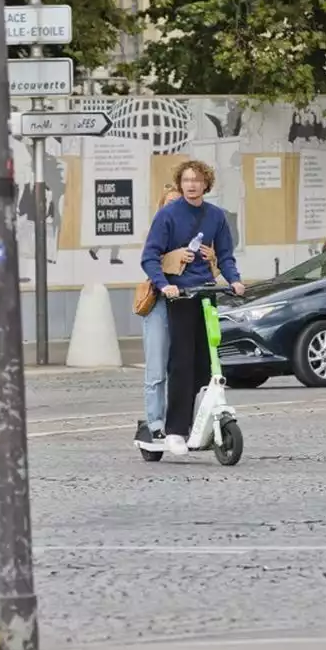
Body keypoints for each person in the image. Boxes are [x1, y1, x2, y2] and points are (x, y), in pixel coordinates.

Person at [141, 161, 244, 455]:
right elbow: (149, 256)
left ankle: (202, 421)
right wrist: (164, 284)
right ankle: (174, 430)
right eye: (186, 180)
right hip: (180, 296)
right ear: (181, 183)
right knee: (181, 362)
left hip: (206, 294)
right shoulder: (167, 215)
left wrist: (234, 280)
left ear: (205, 184)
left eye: (196, 180)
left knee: (207, 363)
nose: (191, 185)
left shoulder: (216, 216)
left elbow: (225, 255)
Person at [142, 185, 215, 439]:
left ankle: (188, 422)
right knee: (157, 367)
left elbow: (212, 274)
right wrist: (172, 257)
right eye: (171, 203)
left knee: (187, 364)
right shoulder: (159, 230)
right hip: (160, 301)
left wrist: (211, 258)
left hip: (187, 301)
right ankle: (155, 423)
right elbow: (149, 260)